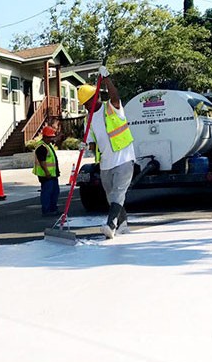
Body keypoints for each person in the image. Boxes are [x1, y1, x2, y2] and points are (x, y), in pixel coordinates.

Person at [78, 66, 136, 239]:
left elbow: (115, 96)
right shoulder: (89, 120)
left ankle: (111, 225)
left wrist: (107, 79)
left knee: (119, 193)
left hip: (124, 158)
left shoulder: (111, 108)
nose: (86, 106)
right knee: (112, 198)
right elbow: (93, 144)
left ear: (95, 98)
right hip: (106, 163)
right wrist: (85, 146)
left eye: (87, 102)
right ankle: (123, 225)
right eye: (84, 105)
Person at [33, 125, 61, 216]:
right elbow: (42, 162)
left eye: (51, 137)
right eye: (49, 137)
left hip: (52, 174)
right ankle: (47, 210)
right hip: (46, 175)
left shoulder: (48, 145)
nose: (51, 139)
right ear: (44, 136)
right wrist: (47, 172)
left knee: (55, 191)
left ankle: (53, 208)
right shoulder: (42, 147)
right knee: (47, 192)